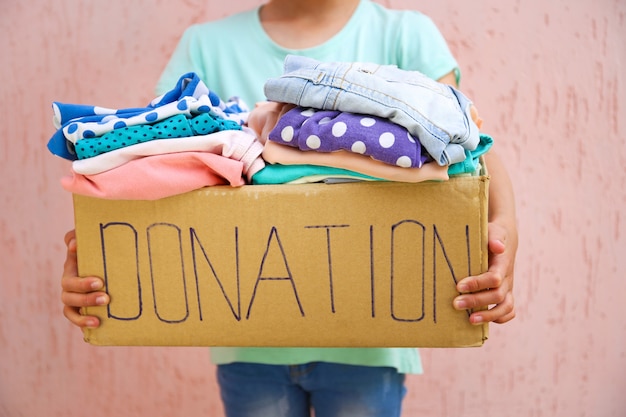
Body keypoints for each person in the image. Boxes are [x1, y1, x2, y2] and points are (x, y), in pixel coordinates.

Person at [60, 1, 517, 416]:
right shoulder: (206, 46)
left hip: (372, 342)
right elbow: (145, 163)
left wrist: (505, 229)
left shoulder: (404, 35)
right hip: (247, 342)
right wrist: (102, 258)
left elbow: (466, 142)